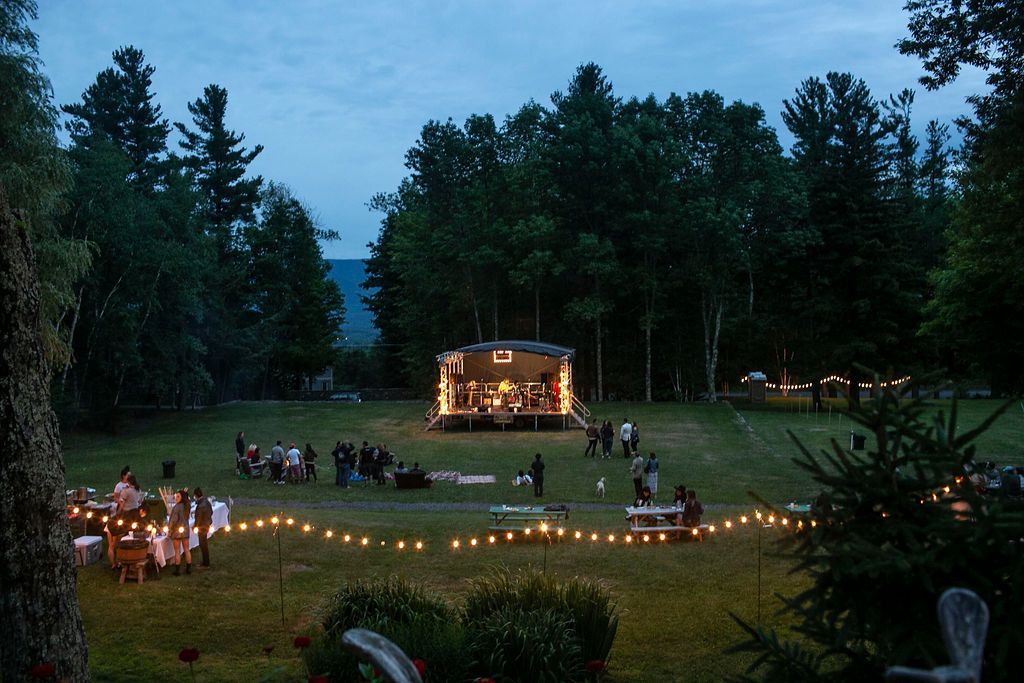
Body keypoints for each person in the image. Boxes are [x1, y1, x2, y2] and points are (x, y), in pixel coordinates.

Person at [168, 489, 192, 576]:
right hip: (185, 530)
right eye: (175, 496)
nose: (176, 498)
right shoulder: (187, 506)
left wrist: (169, 530)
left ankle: (177, 570)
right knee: (186, 549)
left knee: (177, 551)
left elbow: (173, 521)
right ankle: (189, 568)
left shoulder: (176, 508)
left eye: (178, 496)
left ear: (182, 498)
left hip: (176, 532)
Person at [193, 487, 213, 568]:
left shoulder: (200, 506)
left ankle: (206, 563)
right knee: (204, 544)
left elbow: (198, 518)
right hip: (207, 524)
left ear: (196, 495)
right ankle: (205, 562)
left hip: (202, 527)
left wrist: (195, 527)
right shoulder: (207, 502)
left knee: (203, 545)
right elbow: (211, 511)